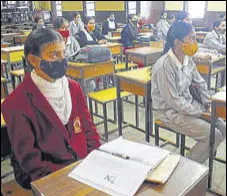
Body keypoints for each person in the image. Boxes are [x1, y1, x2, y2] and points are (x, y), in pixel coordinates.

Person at [2, 28, 101, 189]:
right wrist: (70, 177)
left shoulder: (73, 88)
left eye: (63, 53)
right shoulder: (15, 103)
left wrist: (94, 160)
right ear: (34, 60)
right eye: (54, 55)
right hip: (51, 177)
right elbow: (31, 161)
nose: (62, 60)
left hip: (84, 168)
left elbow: (89, 129)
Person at [151, 21, 226, 164]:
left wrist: (207, 103)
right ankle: (187, 168)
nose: (195, 42)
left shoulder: (188, 58)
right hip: (169, 112)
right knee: (213, 135)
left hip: (189, 105)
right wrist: (201, 113)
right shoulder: (164, 66)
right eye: (191, 38)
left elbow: (200, 83)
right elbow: (173, 101)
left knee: (223, 127)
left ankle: (201, 155)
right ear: (178, 42)